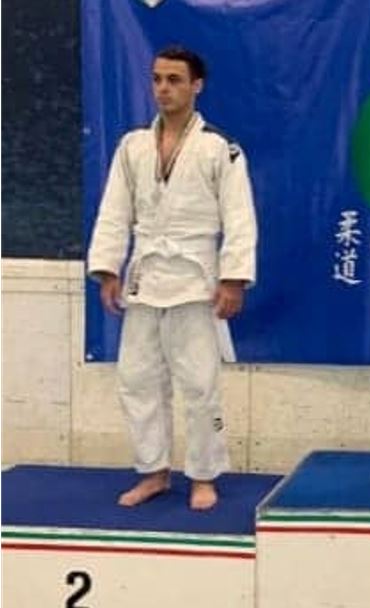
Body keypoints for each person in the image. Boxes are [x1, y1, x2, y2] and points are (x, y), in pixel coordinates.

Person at [87, 46, 257, 510]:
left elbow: (240, 218)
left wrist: (233, 278)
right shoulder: (132, 146)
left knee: (200, 384)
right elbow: (114, 211)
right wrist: (107, 269)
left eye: (175, 80)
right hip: (145, 277)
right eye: (157, 79)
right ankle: (153, 471)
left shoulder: (219, 148)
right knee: (137, 379)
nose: (163, 88)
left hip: (196, 279)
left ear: (196, 86)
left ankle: (204, 475)